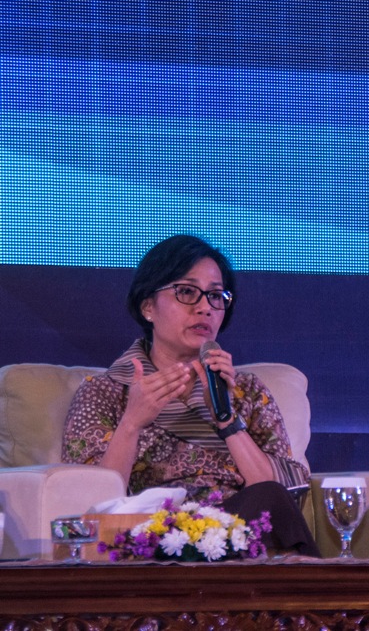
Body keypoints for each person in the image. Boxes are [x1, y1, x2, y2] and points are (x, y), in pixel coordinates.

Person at [62, 234, 320, 557]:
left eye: (216, 296)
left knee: (269, 499)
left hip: (243, 535)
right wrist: (132, 422)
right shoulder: (105, 392)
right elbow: (91, 501)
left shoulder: (247, 391)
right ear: (147, 306)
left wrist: (226, 419)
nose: (204, 308)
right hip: (154, 537)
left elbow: (282, 495)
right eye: (186, 292)